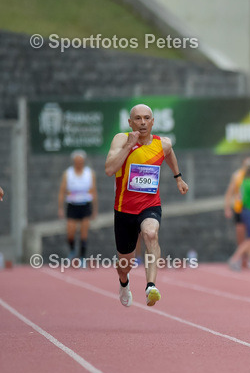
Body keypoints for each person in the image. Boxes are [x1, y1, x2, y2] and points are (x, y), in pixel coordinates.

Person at [104, 104, 188, 307]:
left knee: (151, 234)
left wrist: (178, 177)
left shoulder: (163, 144)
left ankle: (151, 286)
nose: (142, 122)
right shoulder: (121, 139)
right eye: (138, 118)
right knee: (125, 264)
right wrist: (128, 145)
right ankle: (124, 282)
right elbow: (109, 169)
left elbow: (170, 154)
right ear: (130, 122)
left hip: (150, 205)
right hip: (124, 209)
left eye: (146, 118)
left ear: (152, 122)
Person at [57, 149, 98, 265]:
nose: (79, 163)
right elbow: (62, 191)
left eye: (81, 161)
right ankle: (72, 250)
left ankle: (83, 257)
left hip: (85, 205)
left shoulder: (89, 173)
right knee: (70, 232)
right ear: (73, 161)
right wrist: (60, 208)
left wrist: (95, 210)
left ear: (84, 161)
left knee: (84, 233)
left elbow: (94, 191)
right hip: (72, 205)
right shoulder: (68, 173)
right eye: (77, 161)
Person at [224, 157, 250, 268]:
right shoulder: (237, 176)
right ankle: (241, 258)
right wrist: (227, 208)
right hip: (240, 208)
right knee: (244, 235)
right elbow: (230, 192)